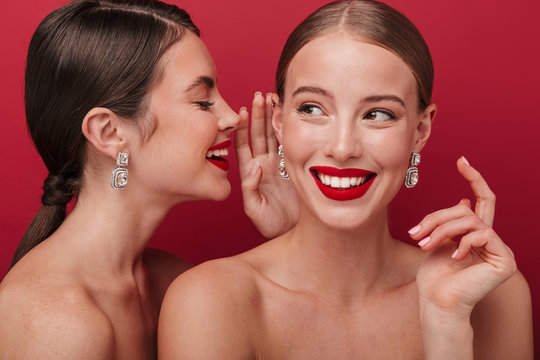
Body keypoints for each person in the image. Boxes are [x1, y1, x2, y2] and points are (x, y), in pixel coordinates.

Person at [158, 0, 533, 358]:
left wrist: (445, 324)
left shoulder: (492, 293)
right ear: (278, 120)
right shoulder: (210, 301)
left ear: (420, 129)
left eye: (378, 114)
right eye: (312, 108)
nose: (342, 147)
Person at [0, 0, 296, 358]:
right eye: (203, 101)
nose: (233, 117)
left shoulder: (173, 285)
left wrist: (294, 236)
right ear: (108, 132)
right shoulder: (57, 323)